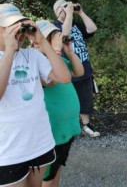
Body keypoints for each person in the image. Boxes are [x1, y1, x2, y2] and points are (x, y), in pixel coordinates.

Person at [0, 3, 71, 187]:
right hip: (8, 150)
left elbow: (64, 77)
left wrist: (43, 42)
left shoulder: (32, 55)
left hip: (39, 142)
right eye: (11, 27)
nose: (19, 33)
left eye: (21, 26)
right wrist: (9, 52)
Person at [33, 20, 84, 187]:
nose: (57, 42)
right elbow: (52, 80)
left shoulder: (58, 60)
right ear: (37, 43)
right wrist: (55, 50)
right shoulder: (36, 62)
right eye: (52, 38)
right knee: (47, 176)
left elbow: (79, 71)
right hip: (53, 132)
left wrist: (69, 52)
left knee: (57, 168)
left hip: (66, 130)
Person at [53, 0, 100, 137]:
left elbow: (92, 29)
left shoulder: (76, 25)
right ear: (57, 11)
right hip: (68, 70)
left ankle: (86, 125)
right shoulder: (54, 27)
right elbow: (65, 34)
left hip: (84, 67)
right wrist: (68, 15)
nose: (68, 9)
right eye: (64, 7)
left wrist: (80, 12)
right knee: (69, 100)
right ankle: (70, 127)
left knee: (85, 99)